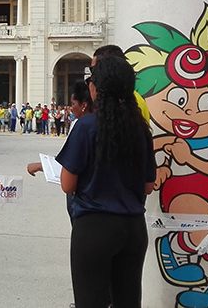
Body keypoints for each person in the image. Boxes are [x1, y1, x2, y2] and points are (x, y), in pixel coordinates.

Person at [55, 56, 156, 308]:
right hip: (133, 228)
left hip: (94, 227)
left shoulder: (86, 126)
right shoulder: (140, 128)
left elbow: (67, 184)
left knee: (90, 301)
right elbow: (148, 186)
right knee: (128, 301)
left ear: (94, 89)